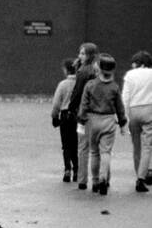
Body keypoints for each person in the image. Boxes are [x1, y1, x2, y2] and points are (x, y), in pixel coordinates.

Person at [78, 54, 126, 196]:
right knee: (106, 152)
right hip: (109, 120)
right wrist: (123, 123)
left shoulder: (90, 85)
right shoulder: (114, 87)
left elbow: (84, 105)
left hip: (93, 120)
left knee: (94, 152)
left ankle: (95, 182)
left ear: (99, 67)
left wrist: (81, 121)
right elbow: (120, 108)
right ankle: (104, 178)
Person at [65, 43, 100, 190]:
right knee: (97, 148)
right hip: (99, 112)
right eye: (80, 53)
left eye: (83, 54)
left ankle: (83, 180)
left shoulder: (83, 71)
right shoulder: (98, 70)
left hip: (84, 112)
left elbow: (77, 93)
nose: (80, 56)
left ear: (89, 55)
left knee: (83, 147)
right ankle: (99, 180)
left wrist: (71, 108)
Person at [121, 51, 152, 193]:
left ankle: (138, 172)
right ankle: (141, 177)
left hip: (133, 110)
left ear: (138, 63)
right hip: (149, 110)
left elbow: (125, 97)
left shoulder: (129, 75)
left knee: (136, 145)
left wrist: (124, 116)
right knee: (147, 146)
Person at [50, 59, 79, 183]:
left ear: (66, 70)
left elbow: (56, 103)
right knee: (76, 144)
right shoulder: (80, 83)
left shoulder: (62, 84)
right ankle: (77, 170)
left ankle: (67, 169)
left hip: (65, 116)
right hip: (78, 116)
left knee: (66, 145)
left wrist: (54, 116)